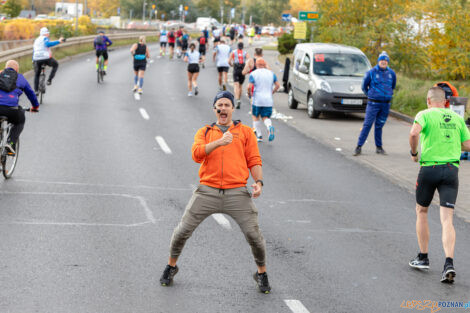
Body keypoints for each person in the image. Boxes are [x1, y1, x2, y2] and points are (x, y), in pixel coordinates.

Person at [159, 90, 271, 294]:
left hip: (237, 192)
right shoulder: (205, 132)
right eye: (219, 105)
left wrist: (259, 182)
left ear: (232, 108)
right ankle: (171, 266)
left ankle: (261, 273)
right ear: (215, 109)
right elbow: (196, 154)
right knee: (182, 231)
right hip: (207, 191)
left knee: (254, 235)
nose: (223, 108)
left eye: (227, 105)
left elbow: (254, 160)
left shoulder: (245, 132)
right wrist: (219, 142)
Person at [408, 86, 470, 283]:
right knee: (447, 219)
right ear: (446, 102)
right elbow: (467, 144)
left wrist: (414, 153)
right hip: (451, 170)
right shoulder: (457, 118)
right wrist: (453, 143)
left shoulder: (424, 115)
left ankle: (423, 257)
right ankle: (449, 263)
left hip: (429, 169)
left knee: (422, 211)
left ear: (428, 101)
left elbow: (413, 134)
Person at [354, 51, 396, 156]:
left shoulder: (391, 73)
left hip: (385, 104)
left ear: (387, 62)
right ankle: (358, 147)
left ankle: (379, 147)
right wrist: (371, 95)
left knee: (379, 126)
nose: (383, 62)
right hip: (373, 104)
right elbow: (364, 86)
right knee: (367, 125)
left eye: (385, 60)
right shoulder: (371, 72)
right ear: (378, 61)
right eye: (382, 60)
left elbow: (393, 86)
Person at [0, 60, 39, 155]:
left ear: (5, 68)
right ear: (17, 70)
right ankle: (11, 143)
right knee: (20, 120)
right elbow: (31, 94)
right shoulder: (20, 78)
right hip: (12, 110)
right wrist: (35, 106)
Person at [247, 58, 280, 142]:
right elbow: (278, 85)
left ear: (256, 65)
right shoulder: (271, 74)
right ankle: (269, 127)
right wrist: (272, 92)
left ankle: (259, 136)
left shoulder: (254, 74)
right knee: (265, 117)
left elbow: (249, 87)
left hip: (257, 99)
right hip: (268, 100)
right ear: (265, 64)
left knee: (255, 116)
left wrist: (249, 94)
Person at [32, 27, 64, 95]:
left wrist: (33, 60)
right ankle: (49, 80)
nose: (48, 35)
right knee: (56, 65)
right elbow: (47, 44)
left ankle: (36, 90)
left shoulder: (36, 40)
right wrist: (58, 41)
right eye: (48, 33)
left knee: (37, 74)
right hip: (46, 58)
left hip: (36, 58)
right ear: (46, 33)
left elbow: (34, 51)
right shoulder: (45, 38)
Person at [229, 42, 249, 109]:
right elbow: (249, 60)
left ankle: (237, 99)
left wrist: (232, 65)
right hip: (242, 69)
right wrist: (247, 69)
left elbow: (229, 61)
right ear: (243, 47)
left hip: (236, 68)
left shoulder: (233, 52)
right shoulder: (245, 53)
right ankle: (239, 99)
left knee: (236, 85)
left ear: (237, 46)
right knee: (240, 85)